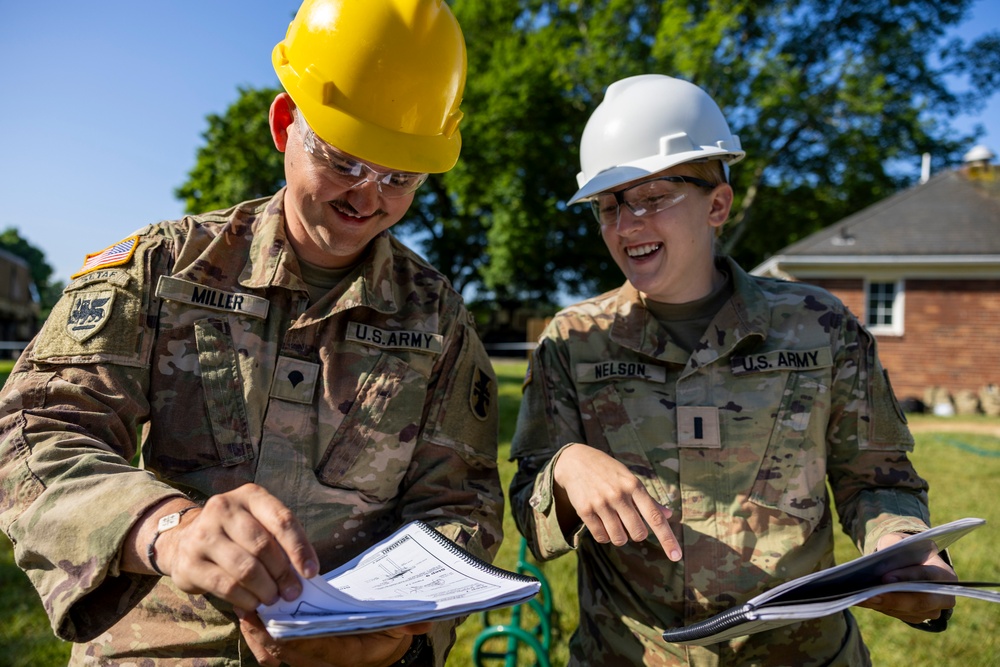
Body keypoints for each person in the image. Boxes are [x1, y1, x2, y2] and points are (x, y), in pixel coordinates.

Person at [0, 1, 503, 665]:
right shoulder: (165, 267)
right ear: (284, 122)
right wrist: (167, 530)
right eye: (344, 160)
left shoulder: (437, 318)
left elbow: (461, 503)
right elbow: (35, 433)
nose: (368, 196)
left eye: (400, 176)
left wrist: (395, 642)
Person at [508, 73, 958, 666]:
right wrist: (565, 470)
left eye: (652, 198)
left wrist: (899, 545)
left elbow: (877, 479)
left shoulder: (820, 326)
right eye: (610, 204)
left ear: (717, 204)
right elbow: (528, 510)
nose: (626, 225)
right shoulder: (573, 342)